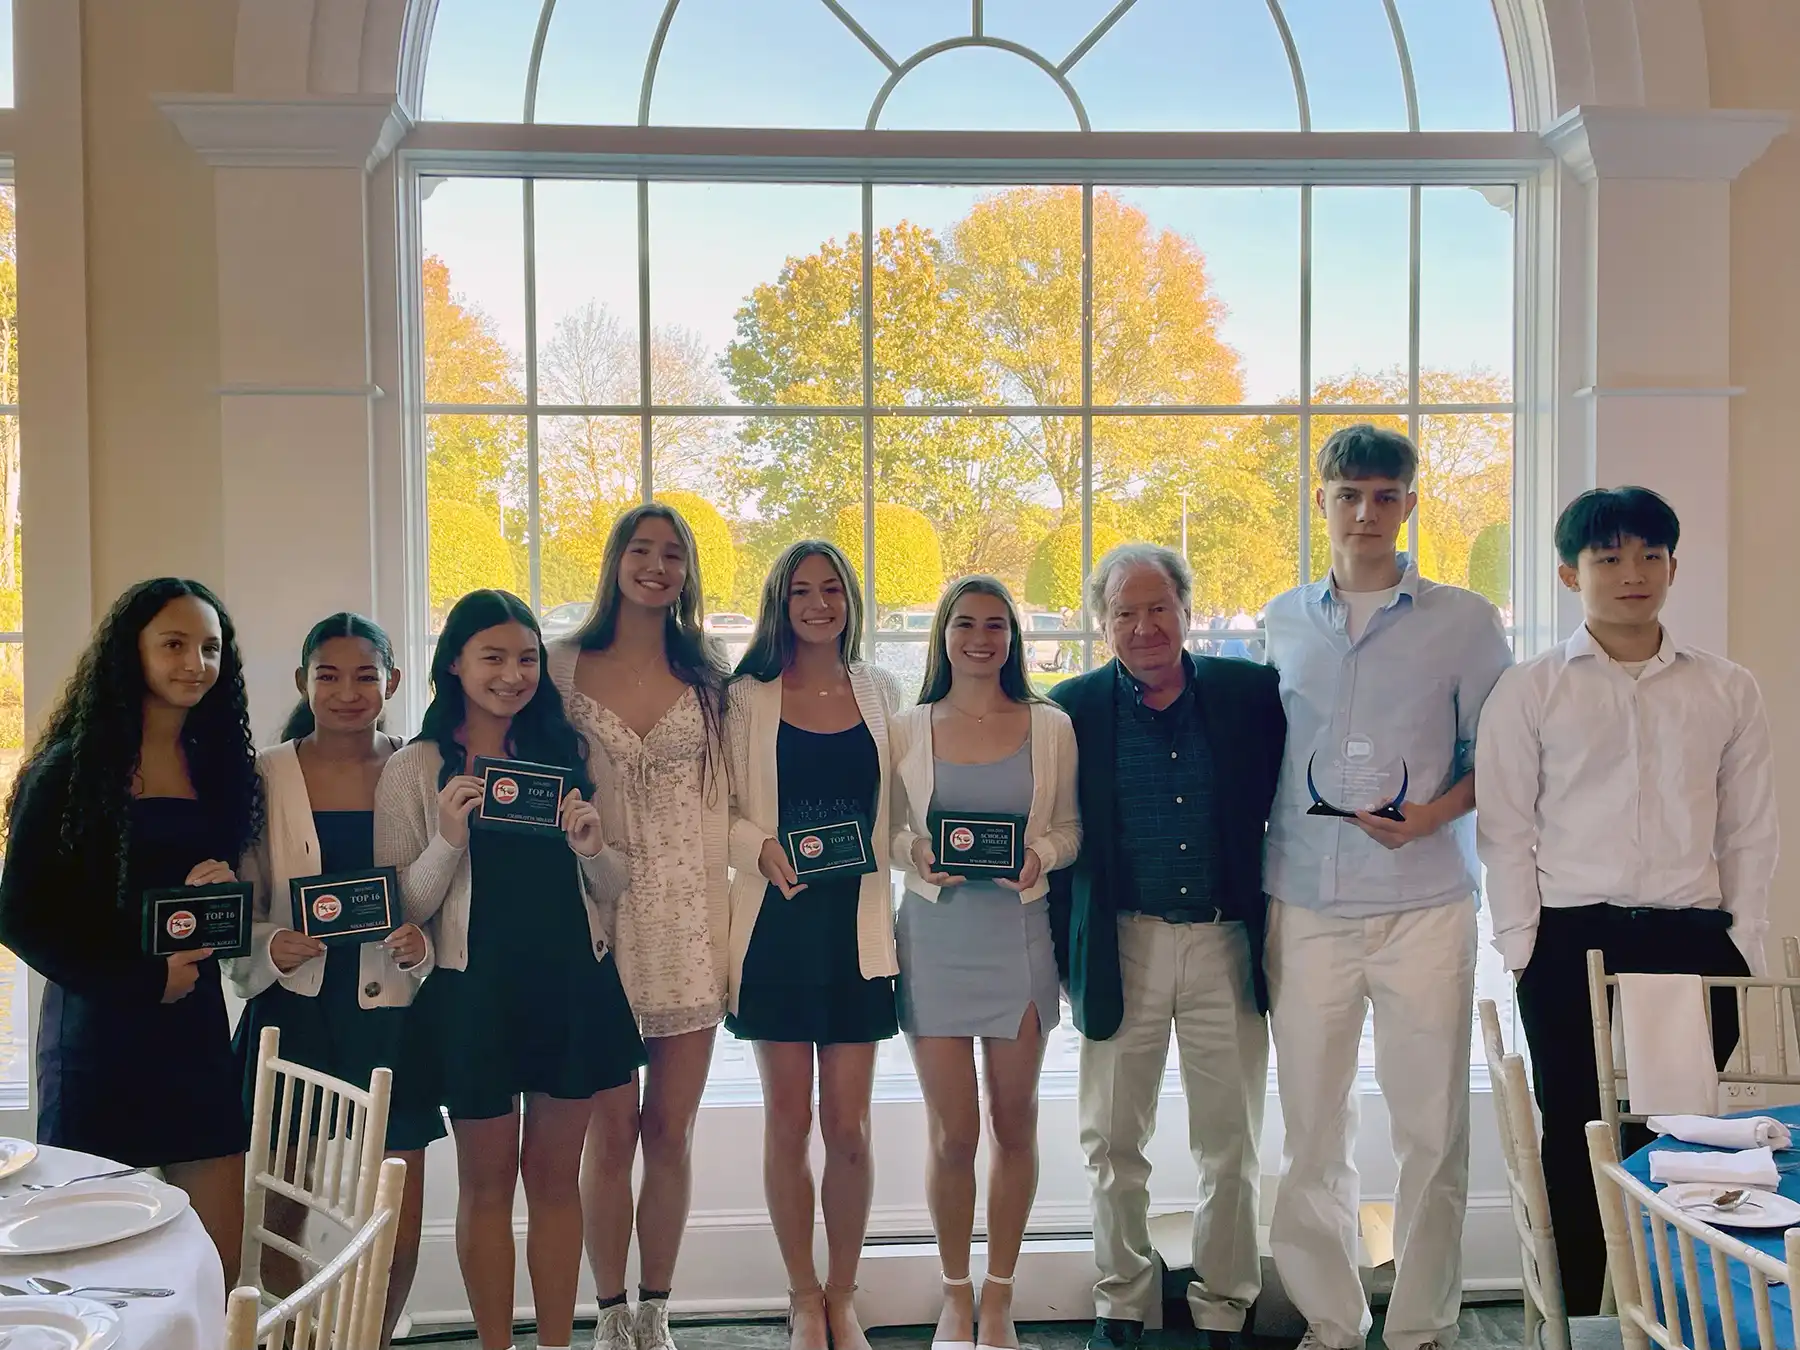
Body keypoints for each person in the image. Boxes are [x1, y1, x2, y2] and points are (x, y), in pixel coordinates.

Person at [1476, 486, 1778, 1314]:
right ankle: (1581, 1319)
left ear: (1673, 566)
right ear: (1572, 575)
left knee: (1680, 1144)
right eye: (1608, 557)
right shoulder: (1531, 689)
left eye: (1650, 554)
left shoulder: (1726, 688)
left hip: (1692, 938)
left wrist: (1741, 942)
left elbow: (1752, 829)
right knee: (1578, 1137)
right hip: (1571, 938)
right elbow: (1504, 830)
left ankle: (1677, 1316)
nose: (1632, 573)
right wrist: (1521, 946)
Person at [1261, 425, 1512, 1350]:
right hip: (1306, 903)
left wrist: (1438, 811)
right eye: (1347, 495)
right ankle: (1332, 1317)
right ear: (1320, 500)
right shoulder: (1282, 618)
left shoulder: (1467, 621)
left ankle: (1421, 1328)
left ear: (1409, 502)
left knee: (1431, 1130)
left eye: (1384, 495)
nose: (1365, 512)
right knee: (1311, 1133)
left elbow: (1504, 755)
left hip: (1423, 906)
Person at [375, 589, 646, 1350]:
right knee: (486, 1187)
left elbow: (618, 884)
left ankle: (557, 1343)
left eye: (526, 658)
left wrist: (592, 847)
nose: (513, 674)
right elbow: (404, 902)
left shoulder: (573, 756)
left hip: (569, 988)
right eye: (492, 657)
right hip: (472, 996)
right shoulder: (413, 768)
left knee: (556, 1183)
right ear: (454, 664)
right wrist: (449, 836)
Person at [1047, 544, 1284, 1350]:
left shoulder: (1250, 693)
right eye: (1123, 611)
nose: (1143, 626)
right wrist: (1059, 964)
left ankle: (1224, 1307)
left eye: (1158, 608)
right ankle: (1123, 1304)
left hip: (1226, 940)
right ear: (1101, 621)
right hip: (1123, 944)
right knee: (1111, 1142)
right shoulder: (1071, 707)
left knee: (1232, 1145)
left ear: (1188, 611)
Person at [0, 578, 262, 1266]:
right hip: (96, 1042)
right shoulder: (67, 772)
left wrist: (222, 890)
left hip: (196, 1034)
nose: (194, 663)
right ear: (131, 652)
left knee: (217, 1265)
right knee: (88, 1265)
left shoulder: (221, 769)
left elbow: (202, 914)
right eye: (173, 644)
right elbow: (20, 915)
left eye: (210, 647)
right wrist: (144, 980)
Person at [227, 612, 440, 1347]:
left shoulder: (418, 767)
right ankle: (302, 1339)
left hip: (394, 1014)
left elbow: (444, 888)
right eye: (328, 675)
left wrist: (424, 943)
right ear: (301, 682)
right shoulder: (265, 774)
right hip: (295, 1012)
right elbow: (240, 904)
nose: (348, 691)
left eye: (364, 675)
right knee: (273, 1205)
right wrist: (264, 947)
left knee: (395, 1205)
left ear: (393, 681)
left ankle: (372, 1338)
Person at [547, 504, 731, 1350]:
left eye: (673, 555)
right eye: (641, 550)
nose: (657, 566)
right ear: (615, 560)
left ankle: (657, 1309)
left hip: (691, 920)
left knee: (671, 1129)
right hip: (599, 917)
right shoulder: (558, 667)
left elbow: (735, 798)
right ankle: (609, 1310)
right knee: (610, 1129)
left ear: (688, 574)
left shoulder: (711, 679)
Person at [724, 541, 907, 1350]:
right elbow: (720, 809)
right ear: (780, 602)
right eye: (801, 590)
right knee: (788, 1119)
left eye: (831, 588)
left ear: (849, 599)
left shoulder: (881, 690)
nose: (818, 603)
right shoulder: (746, 698)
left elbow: (900, 815)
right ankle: (801, 1295)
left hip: (857, 930)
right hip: (776, 929)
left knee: (851, 1128)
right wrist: (757, 847)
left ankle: (842, 1293)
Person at [890, 577, 1081, 1350]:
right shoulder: (906, 726)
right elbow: (887, 833)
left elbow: (1070, 831)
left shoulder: (1051, 726)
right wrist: (915, 855)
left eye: (996, 625)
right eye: (965, 623)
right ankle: (954, 1294)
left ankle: (999, 1296)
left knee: (1013, 1123)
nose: (980, 637)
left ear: (1013, 637)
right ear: (943, 634)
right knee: (952, 1135)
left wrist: (1039, 856)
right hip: (934, 945)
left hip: (1019, 941)